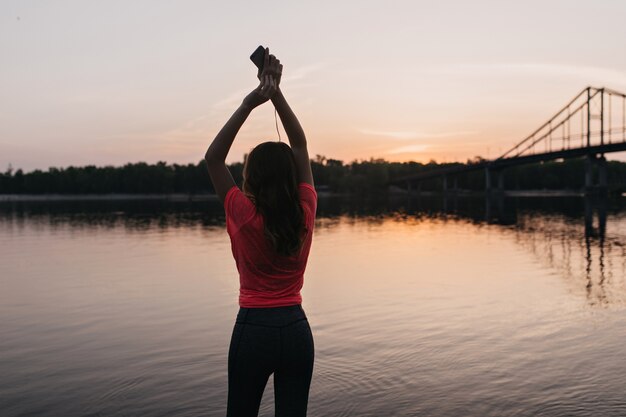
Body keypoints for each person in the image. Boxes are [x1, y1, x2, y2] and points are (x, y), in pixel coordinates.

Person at [204, 47, 317, 417]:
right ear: (291, 176)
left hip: (254, 329)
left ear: (251, 176)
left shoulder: (241, 211)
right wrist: (277, 92)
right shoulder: (304, 212)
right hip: (297, 331)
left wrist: (253, 101)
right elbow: (299, 144)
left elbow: (214, 158)